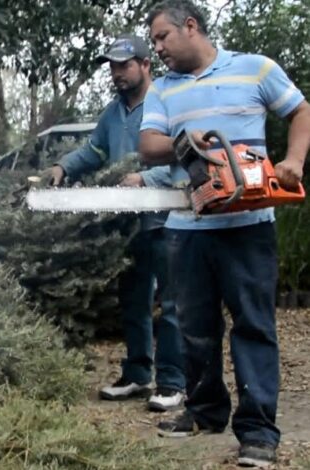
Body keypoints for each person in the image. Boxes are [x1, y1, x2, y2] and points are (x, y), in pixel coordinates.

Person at [139, 1, 310, 467]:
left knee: (253, 325)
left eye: (161, 38)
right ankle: (204, 409)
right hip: (187, 226)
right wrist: (186, 139)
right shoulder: (163, 89)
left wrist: (293, 162)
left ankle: (258, 431)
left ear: (190, 26)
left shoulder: (255, 70)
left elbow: (300, 111)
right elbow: (149, 145)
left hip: (249, 224)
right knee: (194, 327)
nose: (157, 48)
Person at [45, 35, 185, 412]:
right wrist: (63, 167)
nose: (117, 73)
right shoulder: (113, 113)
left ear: (145, 65)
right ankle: (139, 374)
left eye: (124, 65)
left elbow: (185, 158)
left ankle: (173, 382)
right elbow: (94, 151)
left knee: (171, 302)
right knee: (133, 300)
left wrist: (146, 179)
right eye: (112, 66)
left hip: (169, 218)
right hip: (128, 222)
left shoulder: (168, 103)